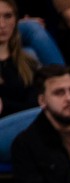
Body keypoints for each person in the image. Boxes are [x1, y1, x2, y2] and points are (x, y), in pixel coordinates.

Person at [0, 0, 43, 159]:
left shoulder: (28, 61)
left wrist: (5, 105)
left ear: (16, 20)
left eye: (8, 16)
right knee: (54, 111)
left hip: (28, 128)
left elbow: (35, 103)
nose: (2, 24)